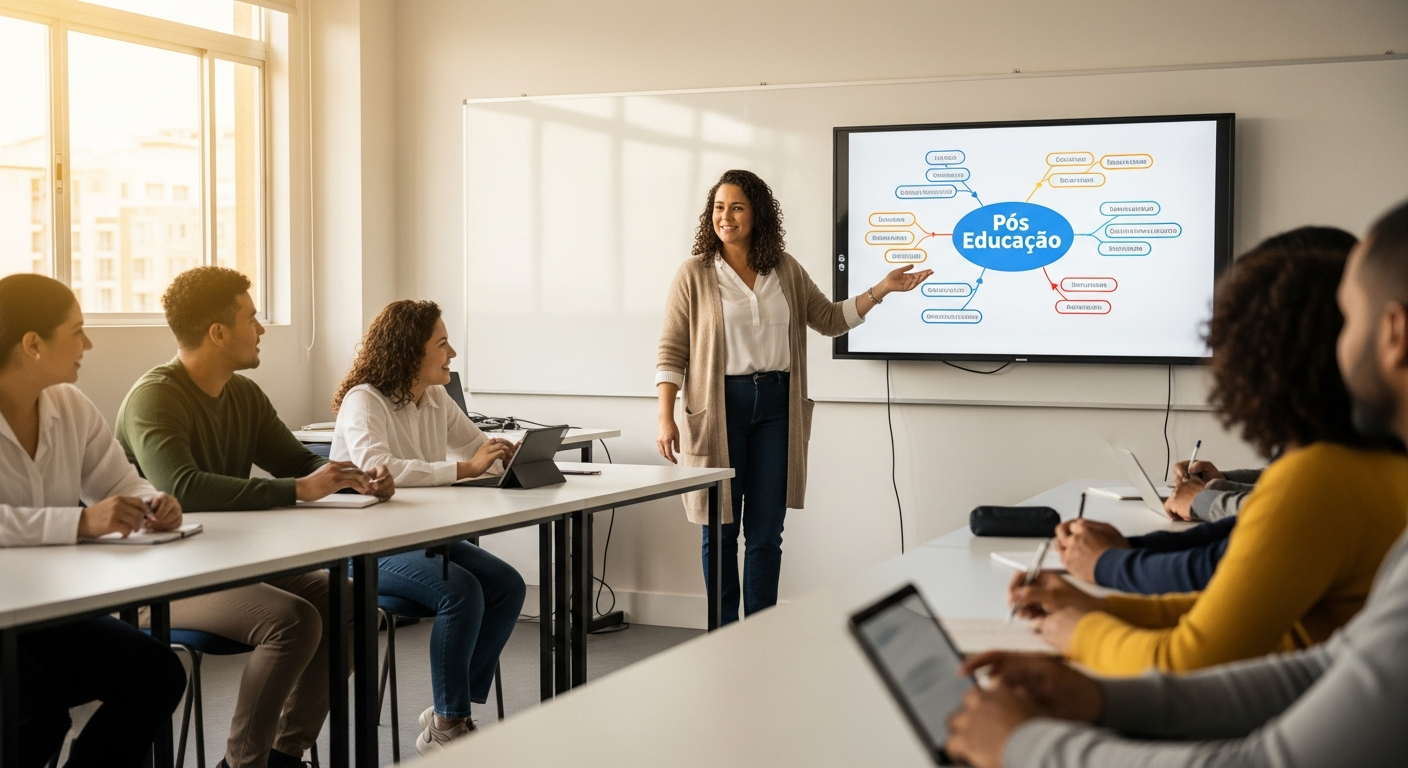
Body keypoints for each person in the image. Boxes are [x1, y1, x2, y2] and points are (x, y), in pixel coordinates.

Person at [945, 199, 1408, 768]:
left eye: (1351, 316)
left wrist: (1026, 739)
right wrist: (1096, 645)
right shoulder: (1381, 476)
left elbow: (1214, 678)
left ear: (1393, 332)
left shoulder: (1323, 478)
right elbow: (1321, 663)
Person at [1014, 230, 1408, 676]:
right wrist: (1100, 592)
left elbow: (1180, 662)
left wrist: (1081, 627)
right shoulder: (1366, 462)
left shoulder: (1322, 478)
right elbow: (1236, 566)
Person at [114, 267, 394, 768]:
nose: (261, 328)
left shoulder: (243, 394)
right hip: (159, 575)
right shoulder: (154, 397)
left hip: (229, 561)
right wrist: (298, 489)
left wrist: (351, 477)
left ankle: (284, 754)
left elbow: (298, 463)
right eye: (252, 318)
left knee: (357, 608)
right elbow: (183, 488)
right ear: (217, 333)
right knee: (293, 621)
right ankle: (245, 763)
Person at [655, 169, 932, 624]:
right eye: (719, 208)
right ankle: (722, 635)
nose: (726, 216)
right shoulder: (695, 274)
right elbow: (672, 348)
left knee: (766, 533)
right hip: (718, 407)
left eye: (737, 207)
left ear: (757, 213)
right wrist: (665, 415)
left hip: (778, 409)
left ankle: (761, 630)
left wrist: (881, 290)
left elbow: (827, 318)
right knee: (719, 529)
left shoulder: (783, 268)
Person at [1056, 227, 1360, 595]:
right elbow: (1249, 522)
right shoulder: (1334, 439)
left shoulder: (1350, 454)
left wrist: (1107, 564)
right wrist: (1123, 549)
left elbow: (1217, 571)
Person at [0, 274, 187, 768]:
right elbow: (85, 516)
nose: (88, 343)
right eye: (76, 330)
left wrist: (154, 502)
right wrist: (79, 524)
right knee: (36, 714)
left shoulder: (70, 405)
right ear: (33, 344)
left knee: (158, 675)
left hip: (43, 608)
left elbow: (119, 483)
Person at [329, 300, 526, 754]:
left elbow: (477, 450)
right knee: (461, 592)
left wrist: (507, 456)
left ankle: (446, 710)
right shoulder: (365, 400)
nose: (452, 352)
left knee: (508, 586)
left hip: (423, 537)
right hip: (367, 544)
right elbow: (376, 466)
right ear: (409, 352)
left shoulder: (436, 397)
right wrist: (462, 469)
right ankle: (450, 721)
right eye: (441, 344)